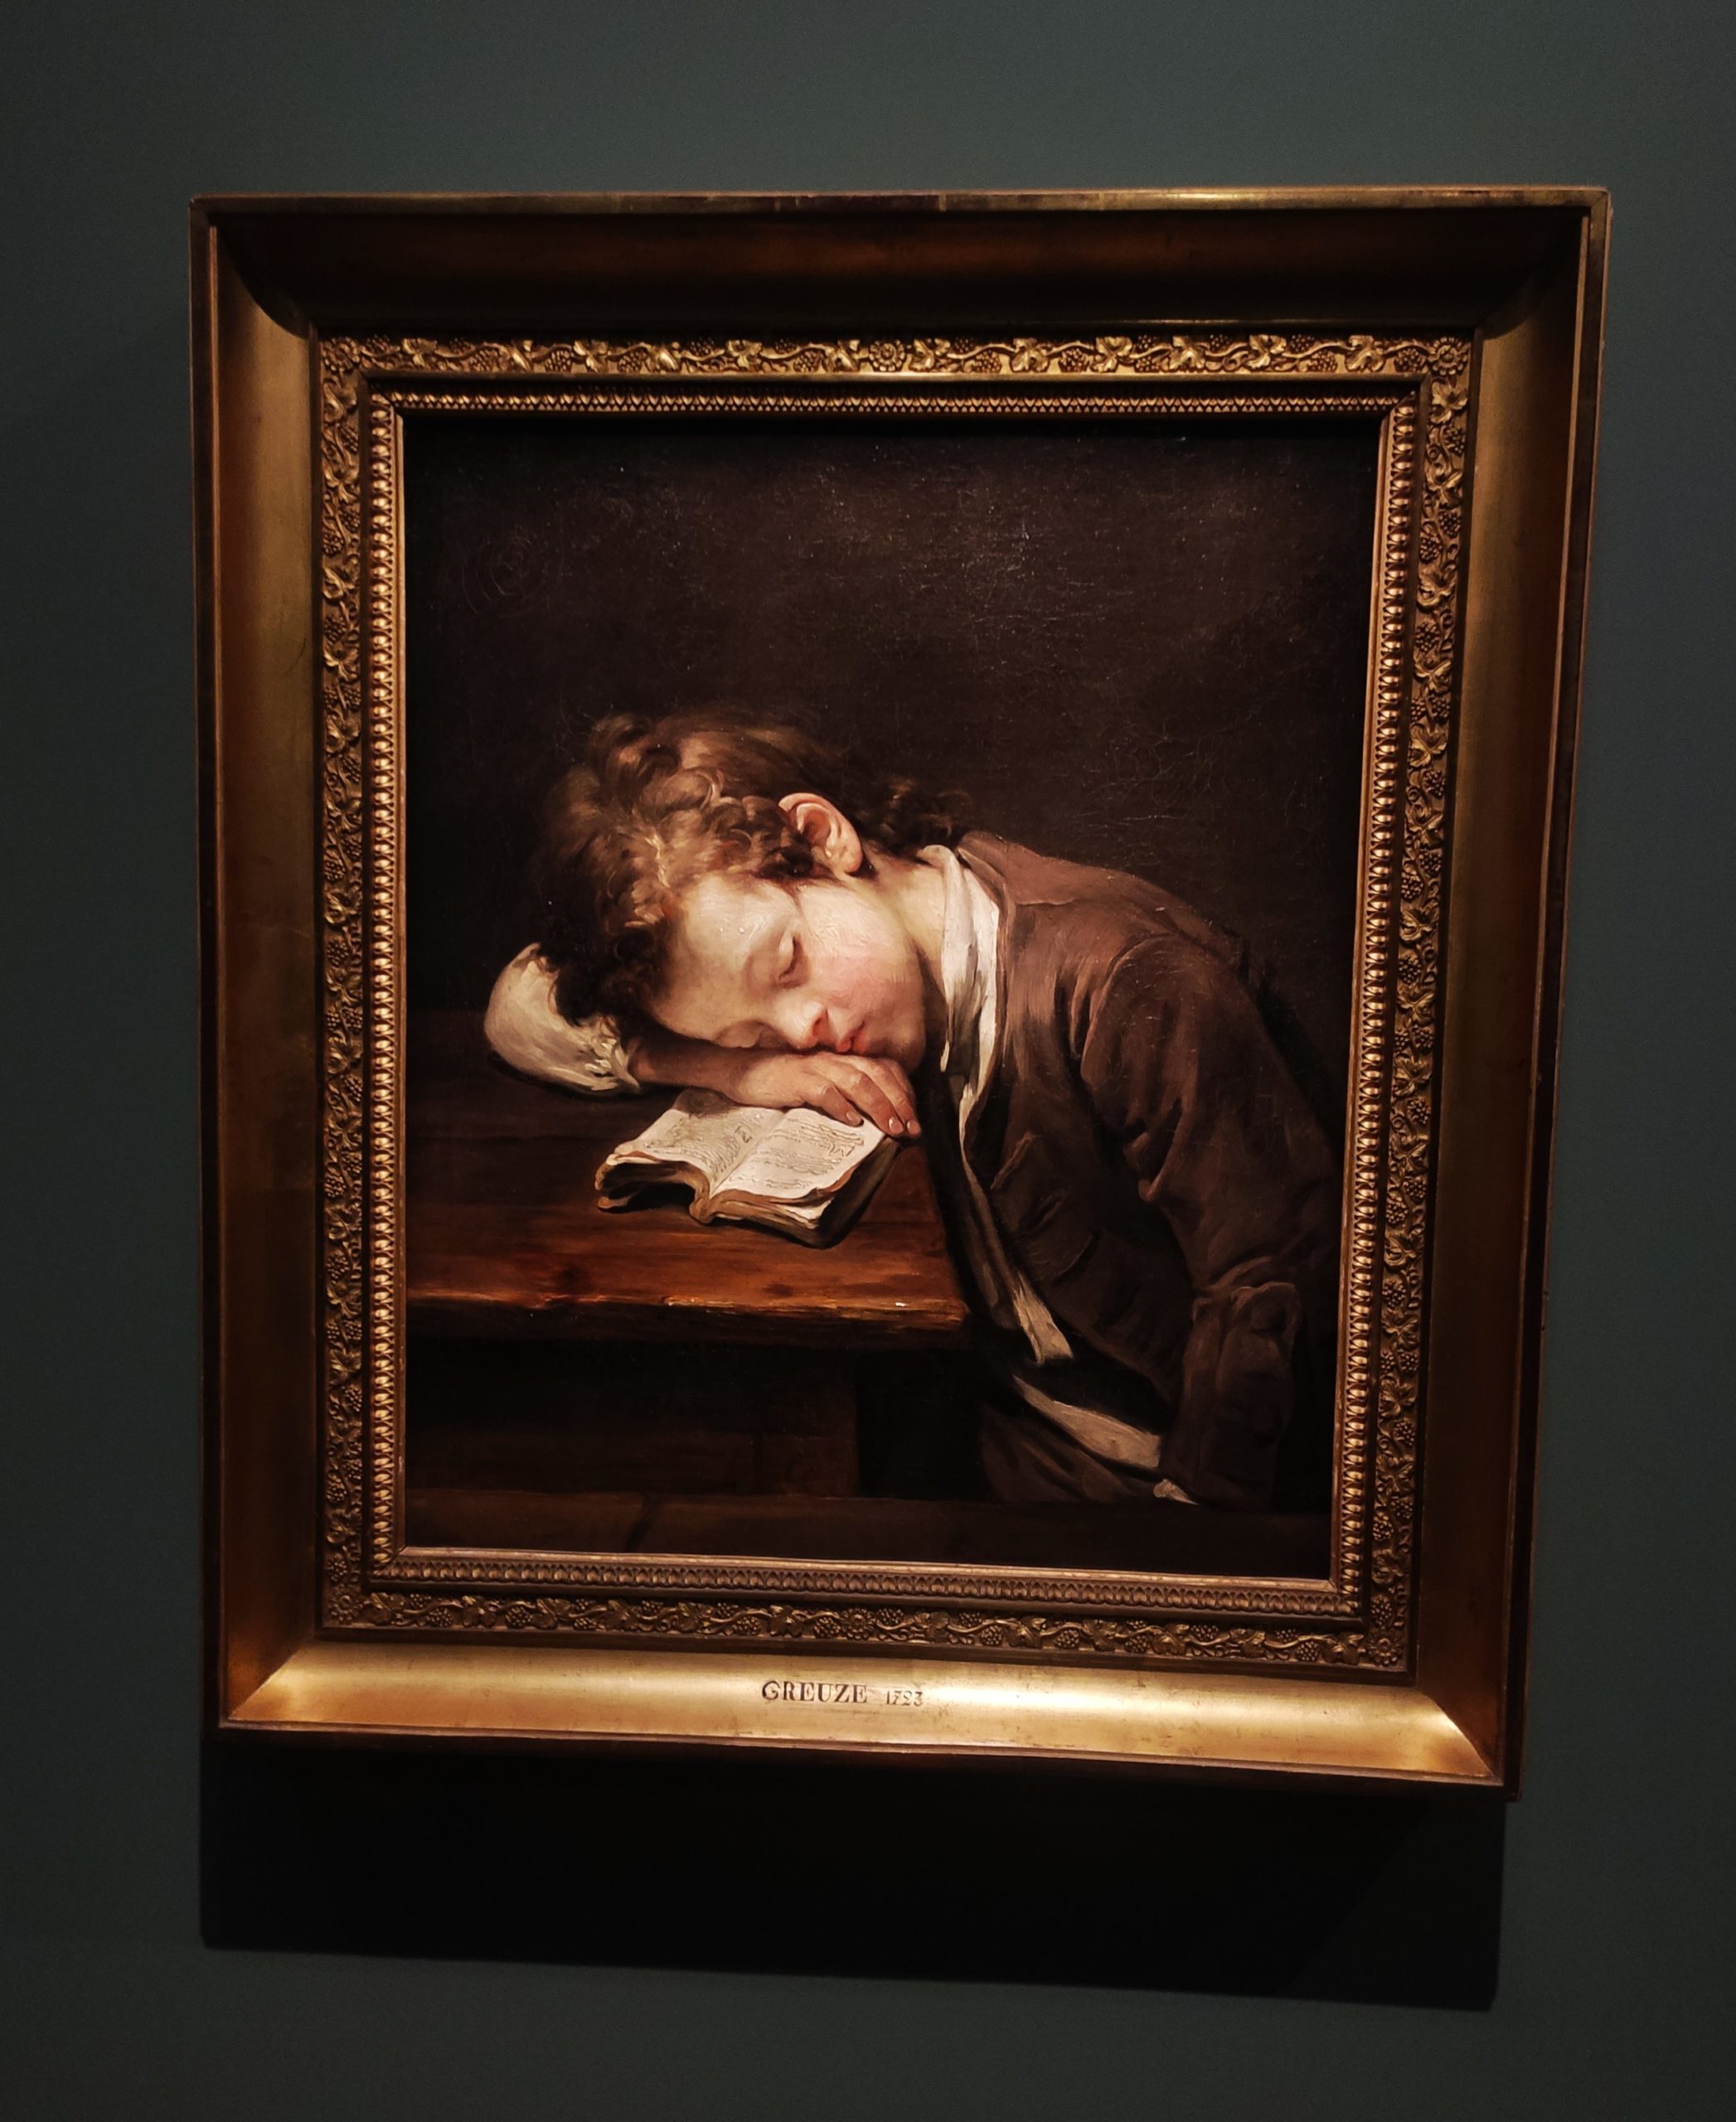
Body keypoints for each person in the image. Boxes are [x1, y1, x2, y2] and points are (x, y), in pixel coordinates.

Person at [484, 708, 1341, 1510]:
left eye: (785, 966)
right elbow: (520, 1002)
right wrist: (726, 1066)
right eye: (754, 1033)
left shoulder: (1120, 981)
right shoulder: (875, 974)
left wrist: (1190, 1527)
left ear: (821, 839)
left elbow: (1271, 1298)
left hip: (1165, 1482)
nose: (800, 1034)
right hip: (1009, 1433)